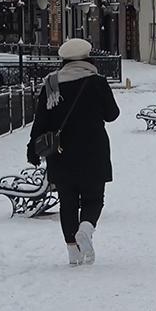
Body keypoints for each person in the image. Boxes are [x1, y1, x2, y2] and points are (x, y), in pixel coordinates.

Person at [27, 38, 120, 267]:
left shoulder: (51, 84)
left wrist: (32, 147)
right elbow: (112, 114)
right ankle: (86, 228)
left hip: (61, 152)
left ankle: (72, 251)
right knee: (94, 198)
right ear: (88, 58)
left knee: (67, 202)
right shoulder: (97, 82)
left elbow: (41, 120)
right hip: (93, 150)